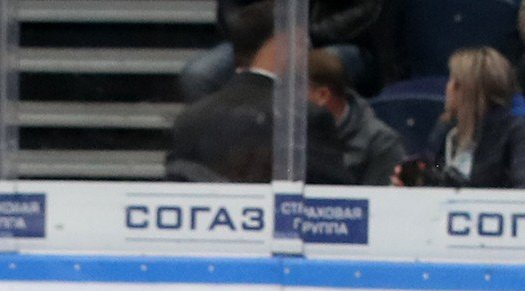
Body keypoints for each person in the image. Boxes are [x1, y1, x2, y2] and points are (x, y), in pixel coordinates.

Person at [166, 2, 352, 184]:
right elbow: (333, 201)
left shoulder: (189, 120)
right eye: (303, 43)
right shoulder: (303, 118)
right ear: (283, 45)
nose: (309, 54)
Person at [395, 47, 525, 189]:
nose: (448, 87)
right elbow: (437, 167)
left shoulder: (517, 130)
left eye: (453, 81)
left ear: (468, 89)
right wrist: (419, 177)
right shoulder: (447, 128)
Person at [178, 0, 381, 103]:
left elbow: (364, 11)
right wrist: (266, 39)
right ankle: (219, 156)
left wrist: (302, 35)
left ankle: (314, 150)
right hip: (262, 39)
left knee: (312, 68)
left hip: (329, 41)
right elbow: (229, 13)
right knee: (199, 75)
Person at [308, 47, 404, 184]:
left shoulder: (381, 143)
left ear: (322, 95)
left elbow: (380, 202)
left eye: (294, 92)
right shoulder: (290, 138)